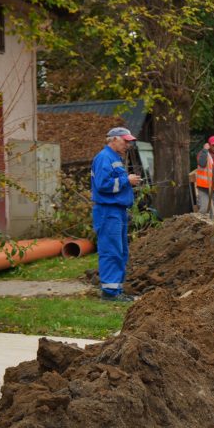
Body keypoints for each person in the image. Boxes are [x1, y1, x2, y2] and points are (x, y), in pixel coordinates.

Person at [90, 127, 141, 302]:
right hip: (108, 211)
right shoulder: (104, 157)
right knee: (111, 250)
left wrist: (126, 182)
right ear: (113, 139)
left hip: (116, 211)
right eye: (125, 140)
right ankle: (110, 293)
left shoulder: (115, 158)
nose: (128, 144)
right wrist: (127, 180)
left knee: (119, 250)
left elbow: (113, 183)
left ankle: (116, 290)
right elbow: (103, 184)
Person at [196, 135, 214, 219]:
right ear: (209, 145)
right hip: (204, 187)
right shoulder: (203, 153)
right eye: (213, 145)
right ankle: (202, 228)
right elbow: (201, 163)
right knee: (204, 209)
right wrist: (205, 150)